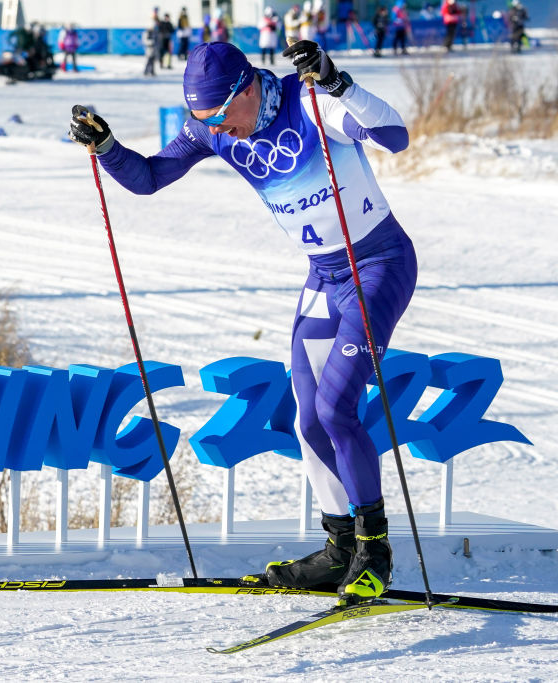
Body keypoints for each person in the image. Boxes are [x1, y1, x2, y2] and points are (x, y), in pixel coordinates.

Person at [68, 40, 415, 605]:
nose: (218, 131)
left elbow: (395, 136)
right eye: (204, 121)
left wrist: (337, 83)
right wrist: (106, 147)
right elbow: (150, 177)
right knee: (308, 422)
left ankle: (374, 551)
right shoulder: (211, 128)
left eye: (222, 115)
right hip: (324, 276)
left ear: (248, 87)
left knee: (336, 410)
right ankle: (338, 549)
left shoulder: (310, 103)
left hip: (377, 265)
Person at [143, 12, 159, 76]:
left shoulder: (155, 32)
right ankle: (146, 71)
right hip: (149, 48)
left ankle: (152, 71)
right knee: (149, 60)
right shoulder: (147, 32)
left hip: (154, 48)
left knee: (153, 60)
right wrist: (151, 42)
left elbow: (157, 40)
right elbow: (145, 40)